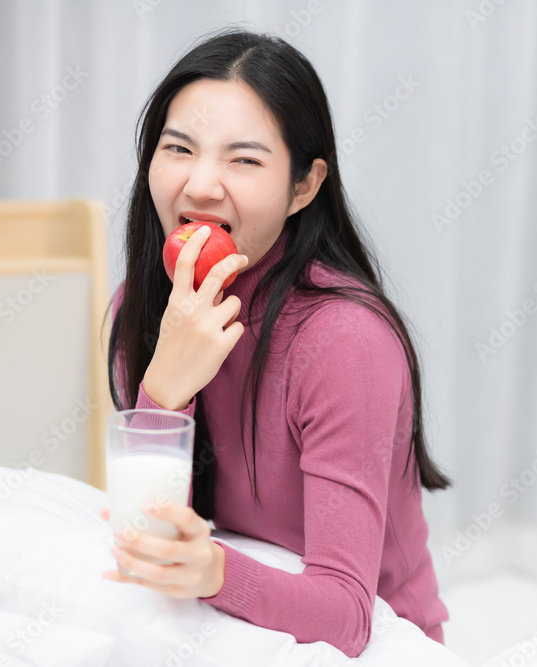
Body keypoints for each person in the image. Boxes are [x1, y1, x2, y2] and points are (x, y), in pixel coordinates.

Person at [97, 27, 452, 659]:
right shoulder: (144, 307)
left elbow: (347, 615)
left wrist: (213, 572)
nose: (201, 186)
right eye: (178, 148)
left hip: (373, 642)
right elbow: (152, 535)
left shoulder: (347, 340)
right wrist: (166, 387)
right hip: (221, 621)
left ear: (304, 187)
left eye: (244, 160)